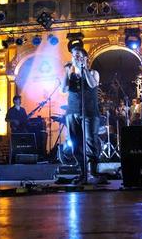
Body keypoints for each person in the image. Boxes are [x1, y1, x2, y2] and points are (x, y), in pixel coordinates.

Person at [62, 46, 106, 184]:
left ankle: (93, 173)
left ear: (85, 58)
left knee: (90, 142)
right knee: (76, 143)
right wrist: (67, 73)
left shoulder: (93, 72)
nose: (76, 57)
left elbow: (93, 85)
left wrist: (83, 69)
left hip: (89, 113)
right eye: (74, 55)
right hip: (72, 112)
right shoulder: (71, 75)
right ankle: (82, 172)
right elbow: (64, 89)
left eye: (79, 55)